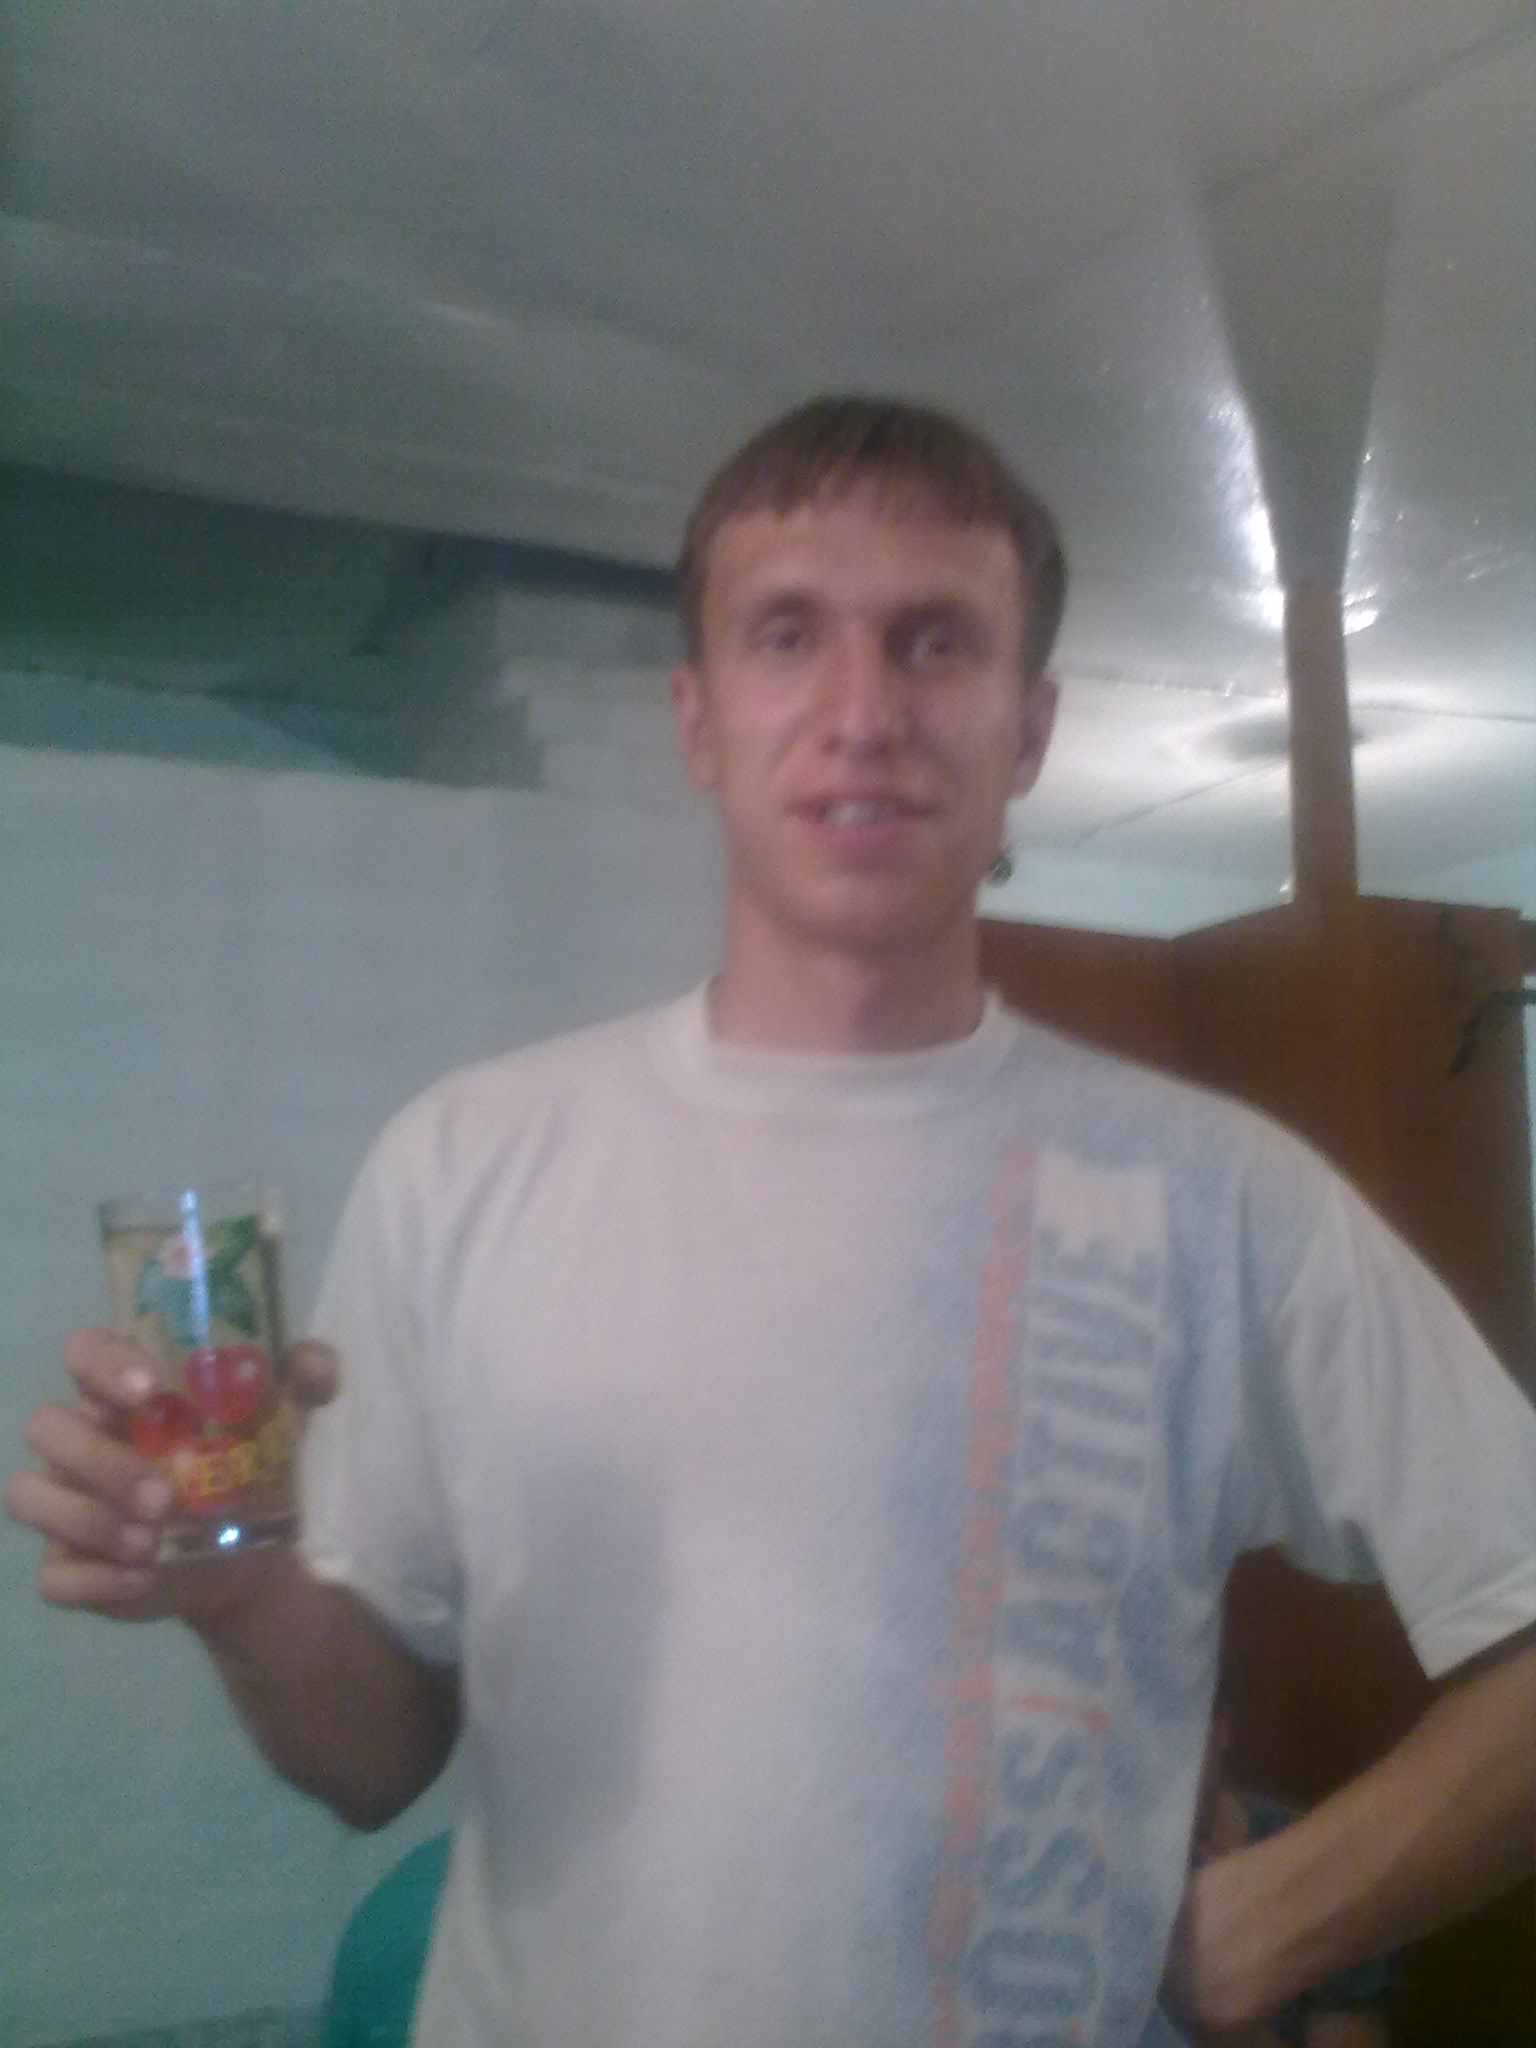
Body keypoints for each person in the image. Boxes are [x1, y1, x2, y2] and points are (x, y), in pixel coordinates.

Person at [8, 397, 1536, 2048]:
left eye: (935, 642)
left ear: (1029, 729)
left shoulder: (1223, 1199)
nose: (863, 713)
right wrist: (240, 1596)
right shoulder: (463, 1165)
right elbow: (370, 1763)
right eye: (789, 635)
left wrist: (1280, 1918)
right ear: (699, 717)